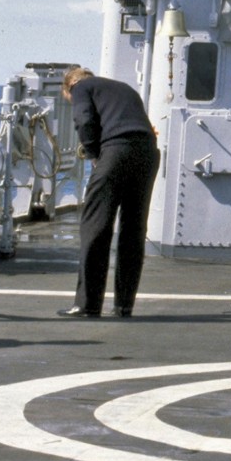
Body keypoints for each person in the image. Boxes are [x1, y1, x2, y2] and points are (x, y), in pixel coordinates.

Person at [59, 66, 160, 319]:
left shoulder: (81, 87)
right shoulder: (124, 88)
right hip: (147, 152)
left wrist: (93, 154)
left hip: (117, 150)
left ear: (69, 87)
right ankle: (124, 305)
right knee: (133, 229)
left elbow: (84, 120)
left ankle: (88, 305)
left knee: (95, 225)